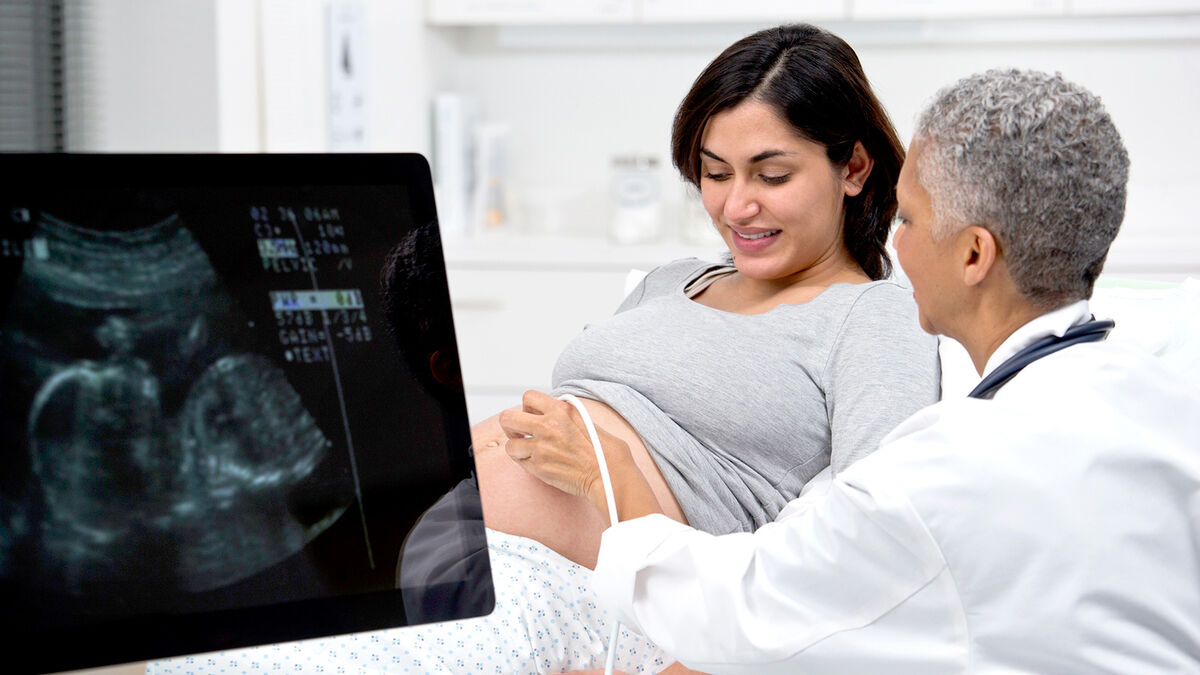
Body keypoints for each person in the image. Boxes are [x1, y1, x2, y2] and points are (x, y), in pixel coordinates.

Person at [149, 23, 939, 675]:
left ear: (855, 167)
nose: (737, 204)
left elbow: (870, 556)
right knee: (194, 637)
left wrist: (684, 665)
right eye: (714, 172)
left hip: (595, 594)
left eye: (772, 173)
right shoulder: (674, 279)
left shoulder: (872, 317)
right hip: (451, 551)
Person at [514, 69, 1200, 673]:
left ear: (972, 256)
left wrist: (618, 482)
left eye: (906, 218)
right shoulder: (1164, 405)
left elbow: (752, 614)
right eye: (716, 172)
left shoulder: (940, 473)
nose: (892, 244)